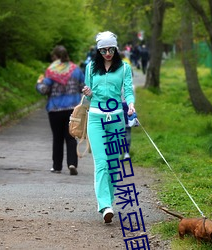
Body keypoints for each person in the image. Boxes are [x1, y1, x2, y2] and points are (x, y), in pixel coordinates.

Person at [82, 31, 135, 223]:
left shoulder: (124, 68)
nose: (107, 53)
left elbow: (128, 90)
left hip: (116, 120)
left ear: (116, 48)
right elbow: (88, 97)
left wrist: (131, 104)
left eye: (110, 49)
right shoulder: (90, 68)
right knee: (102, 162)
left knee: (113, 163)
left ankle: (109, 201)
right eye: (103, 50)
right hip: (96, 118)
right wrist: (87, 92)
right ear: (98, 50)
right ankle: (105, 205)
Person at [36, 45, 85, 175]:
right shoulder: (76, 70)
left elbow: (44, 90)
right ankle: (72, 163)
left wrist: (39, 83)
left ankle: (57, 166)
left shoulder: (51, 71)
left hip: (55, 109)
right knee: (71, 137)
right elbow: (83, 87)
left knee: (57, 138)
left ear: (55, 57)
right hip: (72, 109)